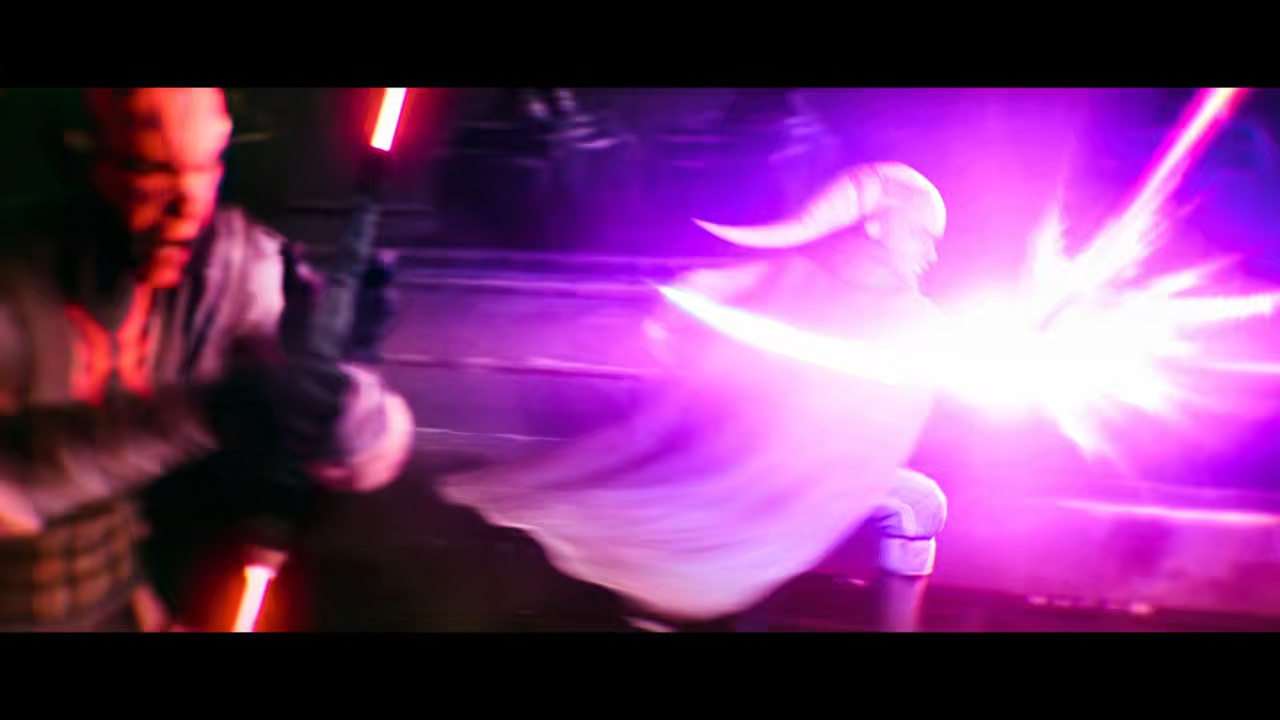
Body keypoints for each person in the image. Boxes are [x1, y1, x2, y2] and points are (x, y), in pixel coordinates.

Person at [439, 161, 949, 631]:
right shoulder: (905, 315)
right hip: (772, 498)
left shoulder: (793, 273)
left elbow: (694, 292)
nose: (930, 253)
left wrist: (672, 334)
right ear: (876, 225)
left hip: (730, 483)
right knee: (921, 504)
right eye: (920, 233)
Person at [0, 88, 415, 631]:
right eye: (150, 169)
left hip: (119, 594)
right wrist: (201, 415)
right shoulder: (13, 285)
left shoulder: (228, 261)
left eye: (207, 165)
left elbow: (370, 453)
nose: (189, 202)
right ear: (77, 160)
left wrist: (346, 406)